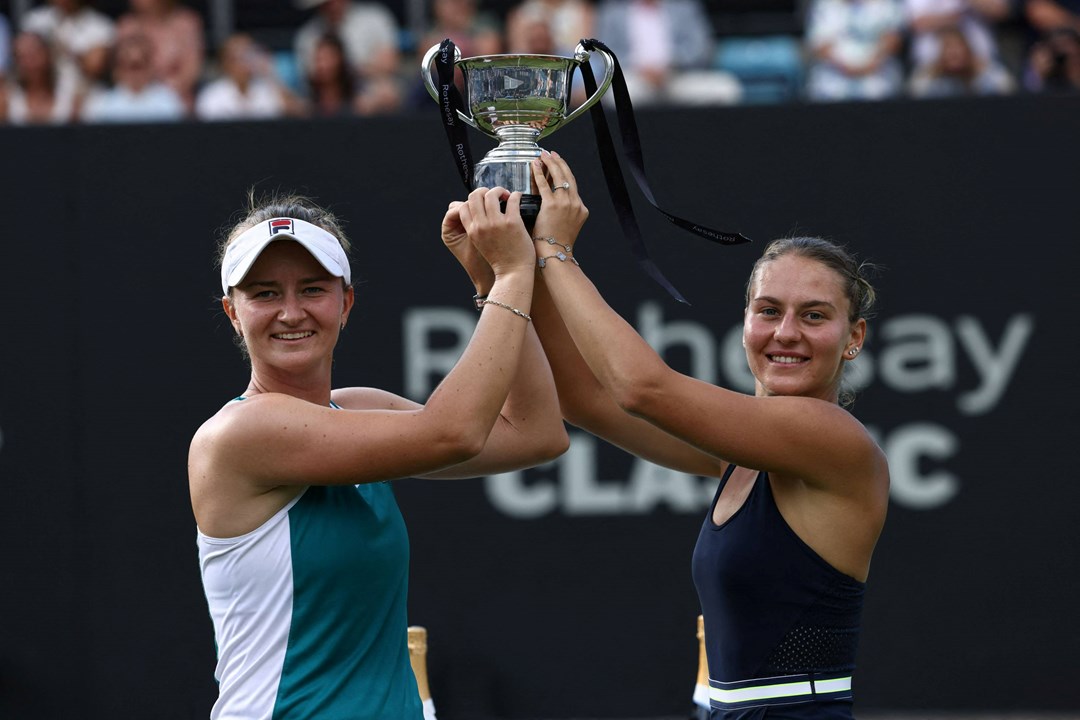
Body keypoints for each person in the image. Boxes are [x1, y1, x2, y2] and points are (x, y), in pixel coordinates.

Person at [515, 152, 889, 718]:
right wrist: (512, 267)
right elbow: (586, 398)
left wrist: (554, 252)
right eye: (768, 310)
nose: (785, 333)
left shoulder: (830, 436)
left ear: (854, 337)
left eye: (814, 316)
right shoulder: (736, 459)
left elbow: (644, 389)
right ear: (744, 321)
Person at [189, 188, 569, 719]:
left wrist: (489, 281)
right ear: (233, 312)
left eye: (313, 289)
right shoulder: (241, 433)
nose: (291, 312)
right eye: (265, 293)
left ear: (345, 302)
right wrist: (511, 274)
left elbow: (535, 433)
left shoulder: (355, 408)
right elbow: (452, 433)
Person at [594, 0, 742, 106]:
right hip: (636, 78)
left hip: (678, 75)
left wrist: (671, 64)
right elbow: (603, 53)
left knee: (726, 88)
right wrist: (640, 68)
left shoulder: (684, 6)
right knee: (614, 96)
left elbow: (701, 47)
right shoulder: (612, 10)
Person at [293, 0, 402, 115]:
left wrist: (346, 69)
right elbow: (312, 76)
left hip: (369, 92)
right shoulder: (307, 36)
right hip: (325, 99)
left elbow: (389, 64)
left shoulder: (375, 19)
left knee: (388, 92)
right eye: (325, 4)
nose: (331, 6)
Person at [804, 0, 905, 101]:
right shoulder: (825, 5)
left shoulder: (886, 4)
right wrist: (846, 67)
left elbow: (893, 40)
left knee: (879, 89)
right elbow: (819, 45)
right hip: (835, 75)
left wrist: (869, 65)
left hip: (876, 73)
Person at [115, 0, 204, 112]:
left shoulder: (186, 23)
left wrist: (162, 96)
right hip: (132, 98)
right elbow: (122, 67)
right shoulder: (126, 25)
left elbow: (191, 70)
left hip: (177, 101)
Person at [195, 32, 305, 121]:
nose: (246, 62)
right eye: (239, 57)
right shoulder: (212, 96)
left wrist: (270, 75)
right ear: (225, 63)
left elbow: (300, 112)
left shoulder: (267, 89)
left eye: (249, 55)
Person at [81, 31, 185, 122]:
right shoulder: (101, 105)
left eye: (138, 65)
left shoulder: (168, 102)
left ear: (150, 67)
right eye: (128, 66)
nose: (134, 73)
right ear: (117, 69)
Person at [20, 0, 116, 90]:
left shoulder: (100, 25)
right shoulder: (34, 21)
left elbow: (94, 67)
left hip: (86, 94)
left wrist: (65, 49)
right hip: (45, 94)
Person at [908, 24, 1016, 96]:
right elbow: (914, 93)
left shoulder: (982, 72)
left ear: (968, 50)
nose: (954, 53)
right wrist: (934, 71)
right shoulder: (932, 75)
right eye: (948, 48)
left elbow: (1008, 88)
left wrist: (983, 68)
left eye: (958, 47)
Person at [0, 30, 82, 124]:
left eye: (34, 55)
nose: (29, 64)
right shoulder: (6, 98)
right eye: (22, 57)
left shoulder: (70, 94)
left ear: (47, 55)